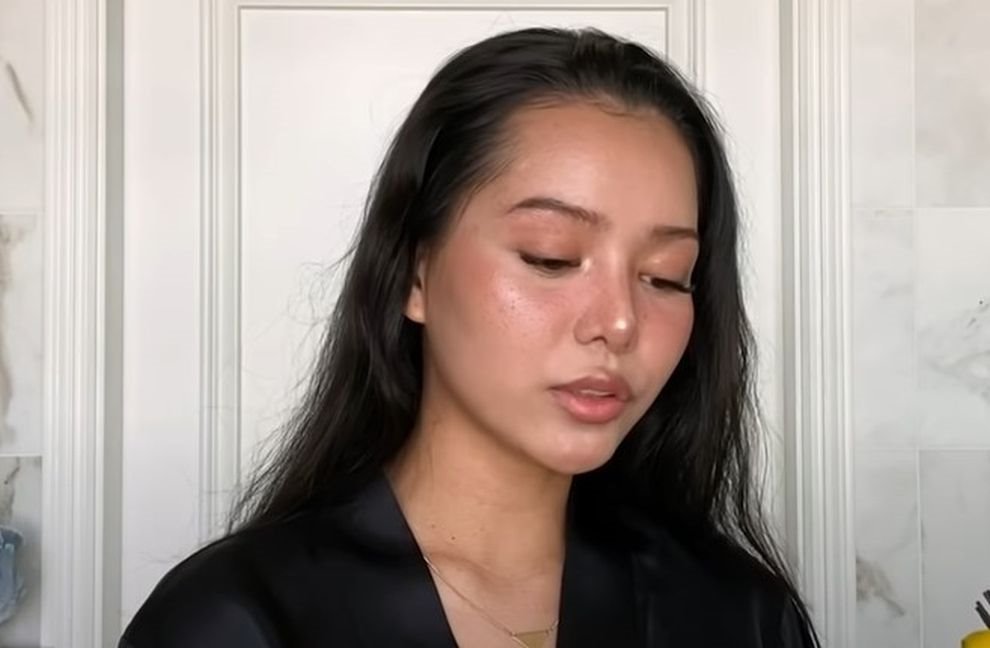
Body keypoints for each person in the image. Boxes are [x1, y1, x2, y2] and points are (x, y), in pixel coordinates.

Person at [120, 27, 819, 647]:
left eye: (665, 276)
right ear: (413, 273)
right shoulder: (238, 619)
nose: (619, 322)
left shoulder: (740, 614)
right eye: (550, 257)